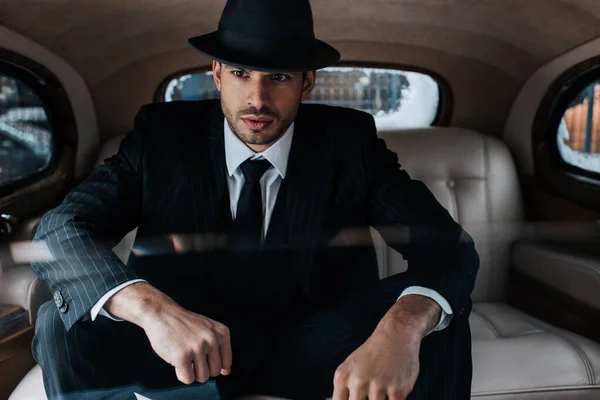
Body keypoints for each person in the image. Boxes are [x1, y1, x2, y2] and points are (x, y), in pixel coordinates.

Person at [31, 0, 479, 399]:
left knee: (433, 313)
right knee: (59, 322)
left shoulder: (349, 143)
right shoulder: (161, 139)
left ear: (306, 85)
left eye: (279, 77)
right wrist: (152, 310)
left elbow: (446, 247)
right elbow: (60, 230)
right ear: (218, 74)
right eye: (241, 74)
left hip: (314, 347)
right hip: (183, 351)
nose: (257, 99)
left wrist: (401, 328)